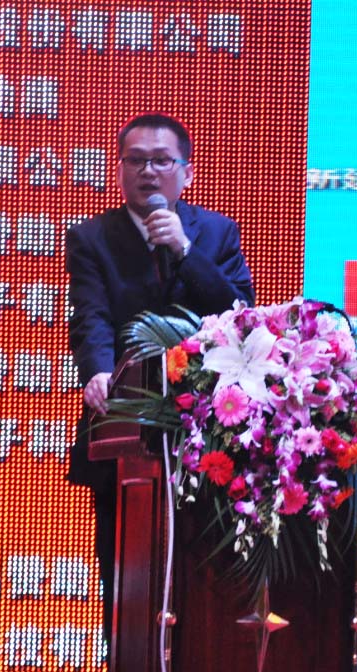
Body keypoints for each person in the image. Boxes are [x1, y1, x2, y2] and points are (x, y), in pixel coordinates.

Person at [66, 113, 255, 643]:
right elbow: (91, 316)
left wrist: (185, 251)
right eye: (135, 160)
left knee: (202, 584)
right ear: (119, 169)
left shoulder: (214, 233)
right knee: (125, 580)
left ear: (186, 172)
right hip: (124, 428)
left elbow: (239, 315)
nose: (147, 171)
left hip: (209, 434)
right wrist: (99, 372)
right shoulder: (92, 238)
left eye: (160, 160)